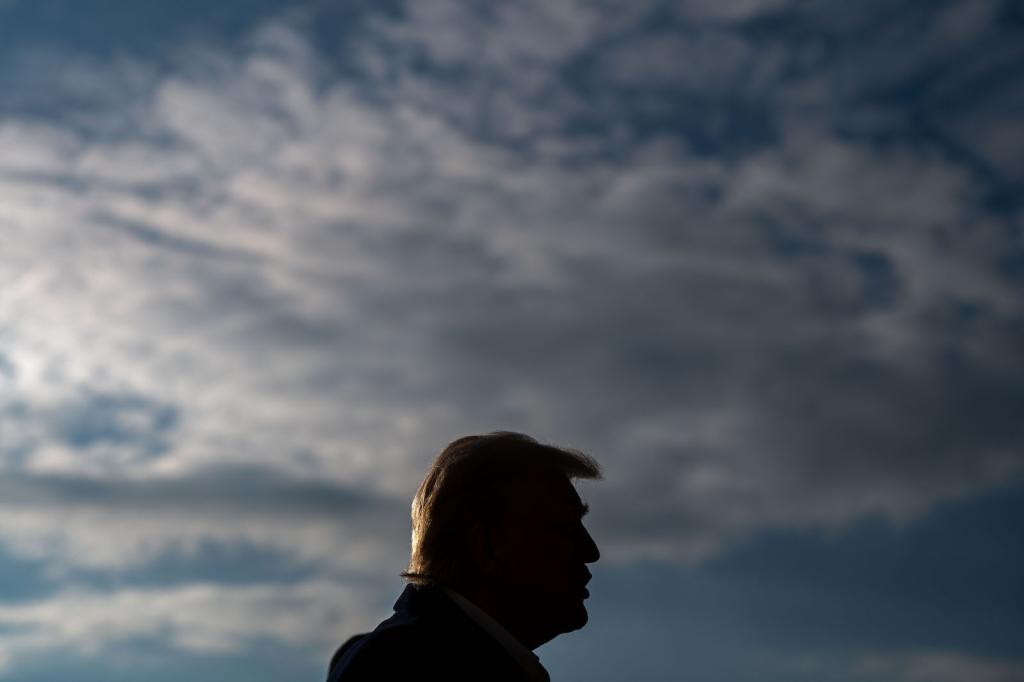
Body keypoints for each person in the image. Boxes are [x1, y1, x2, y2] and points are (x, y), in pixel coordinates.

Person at [327, 431, 601, 682]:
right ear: (486, 548)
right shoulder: (405, 665)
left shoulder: (409, 656)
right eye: (565, 529)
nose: (591, 552)